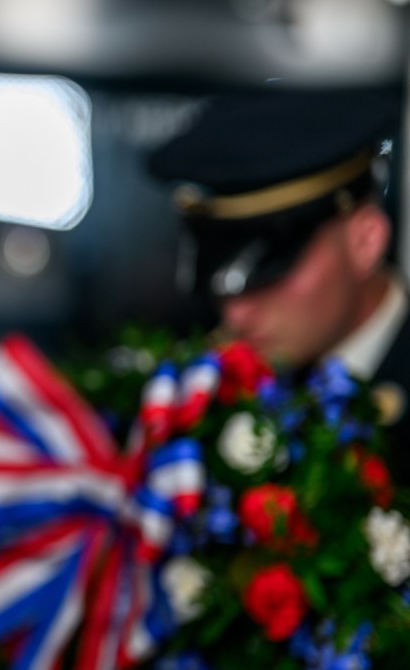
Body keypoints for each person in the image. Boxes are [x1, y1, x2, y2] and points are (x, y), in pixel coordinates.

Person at [147, 89, 410, 457]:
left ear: (365, 241)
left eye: (271, 271)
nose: (235, 313)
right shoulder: (213, 395)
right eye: (219, 275)